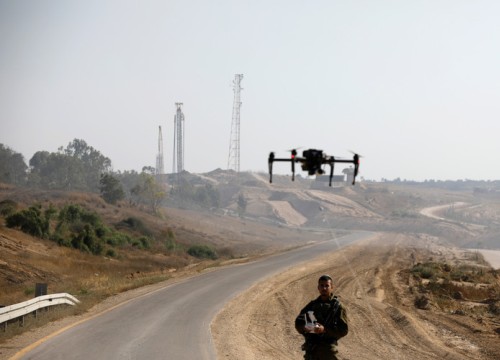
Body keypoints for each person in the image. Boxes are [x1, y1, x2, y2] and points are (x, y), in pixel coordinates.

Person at [295, 274, 348, 360]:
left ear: (332, 287)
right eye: (322, 285)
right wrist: (308, 328)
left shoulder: (337, 307)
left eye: (327, 286)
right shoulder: (312, 305)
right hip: (312, 349)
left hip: (328, 349)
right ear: (318, 287)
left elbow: (344, 330)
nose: (324, 288)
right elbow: (298, 322)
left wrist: (325, 329)